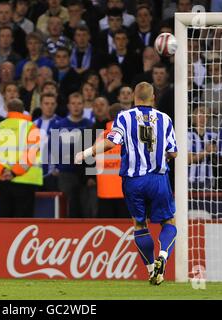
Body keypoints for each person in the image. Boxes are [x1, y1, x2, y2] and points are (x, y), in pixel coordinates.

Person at [75, 82, 178, 286]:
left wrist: (86, 153)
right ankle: (163, 257)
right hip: (158, 179)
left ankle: (151, 270)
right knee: (169, 223)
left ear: (133, 98)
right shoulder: (165, 119)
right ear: (153, 98)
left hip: (133, 181)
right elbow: (173, 152)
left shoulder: (124, 117)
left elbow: (111, 142)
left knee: (140, 224)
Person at [0, 98, 42, 217]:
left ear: (7, 110)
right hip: (26, 180)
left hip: (5, 181)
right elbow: (31, 154)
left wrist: (3, 171)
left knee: (6, 222)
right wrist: (14, 172)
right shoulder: (31, 127)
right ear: (23, 111)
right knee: (22, 223)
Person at [95, 103, 128, 218]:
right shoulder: (129, 136)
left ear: (109, 116)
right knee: (125, 229)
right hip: (126, 192)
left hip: (104, 192)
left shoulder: (100, 137)